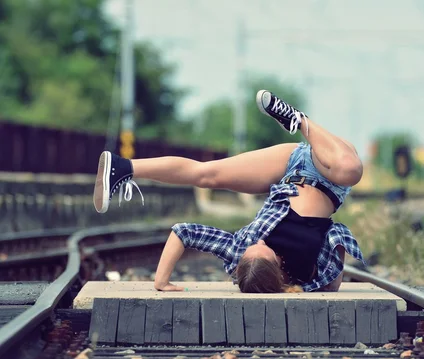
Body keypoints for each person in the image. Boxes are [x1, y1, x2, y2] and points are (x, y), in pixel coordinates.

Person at [93, 89, 366, 293]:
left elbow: (184, 232)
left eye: (251, 249)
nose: (258, 242)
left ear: (240, 264)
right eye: (264, 249)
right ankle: (302, 122)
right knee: (350, 170)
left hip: (290, 168)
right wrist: (328, 283)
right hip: (330, 176)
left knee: (206, 174)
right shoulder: (308, 274)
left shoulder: (239, 251)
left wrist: (161, 281)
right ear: (278, 265)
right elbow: (337, 241)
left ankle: (123, 167)